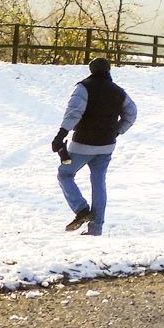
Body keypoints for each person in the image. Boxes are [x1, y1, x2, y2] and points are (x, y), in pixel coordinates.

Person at [51, 57, 137, 237]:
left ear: (91, 70)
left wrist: (61, 135)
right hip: (106, 146)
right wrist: (117, 131)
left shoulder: (84, 87)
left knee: (65, 174)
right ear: (108, 70)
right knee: (98, 183)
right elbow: (132, 113)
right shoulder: (118, 92)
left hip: (82, 144)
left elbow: (74, 113)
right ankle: (96, 229)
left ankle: (81, 210)